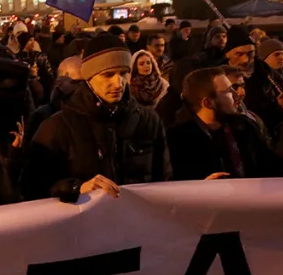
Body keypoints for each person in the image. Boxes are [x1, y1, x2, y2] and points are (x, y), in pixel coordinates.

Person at [21, 34, 171, 202]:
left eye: (123, 73)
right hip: (83, 226)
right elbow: (32, 187)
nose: (118, 83)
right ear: (89, 77)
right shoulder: (57, 127)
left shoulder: (149, 120)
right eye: (108, 75)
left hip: (138, 223)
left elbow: (164, 180)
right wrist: (76, 188)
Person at [167, 68, 283, 181]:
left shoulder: (244, 125)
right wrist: (201, 186)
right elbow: (173, 183)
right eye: (229, 91)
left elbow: (270, 162)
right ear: (209, 103)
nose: (237, 95)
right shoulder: (178, 138)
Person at [22, 56, 83, 148]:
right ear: (60, 82)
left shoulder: (95, 113)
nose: (83, 87)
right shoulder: (43, 116)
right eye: (78, 82)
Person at [245, 38, 283, 141]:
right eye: (277, 54)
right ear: (264, 57)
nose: (282, 58)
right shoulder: (257, 82)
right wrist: (279, 107)